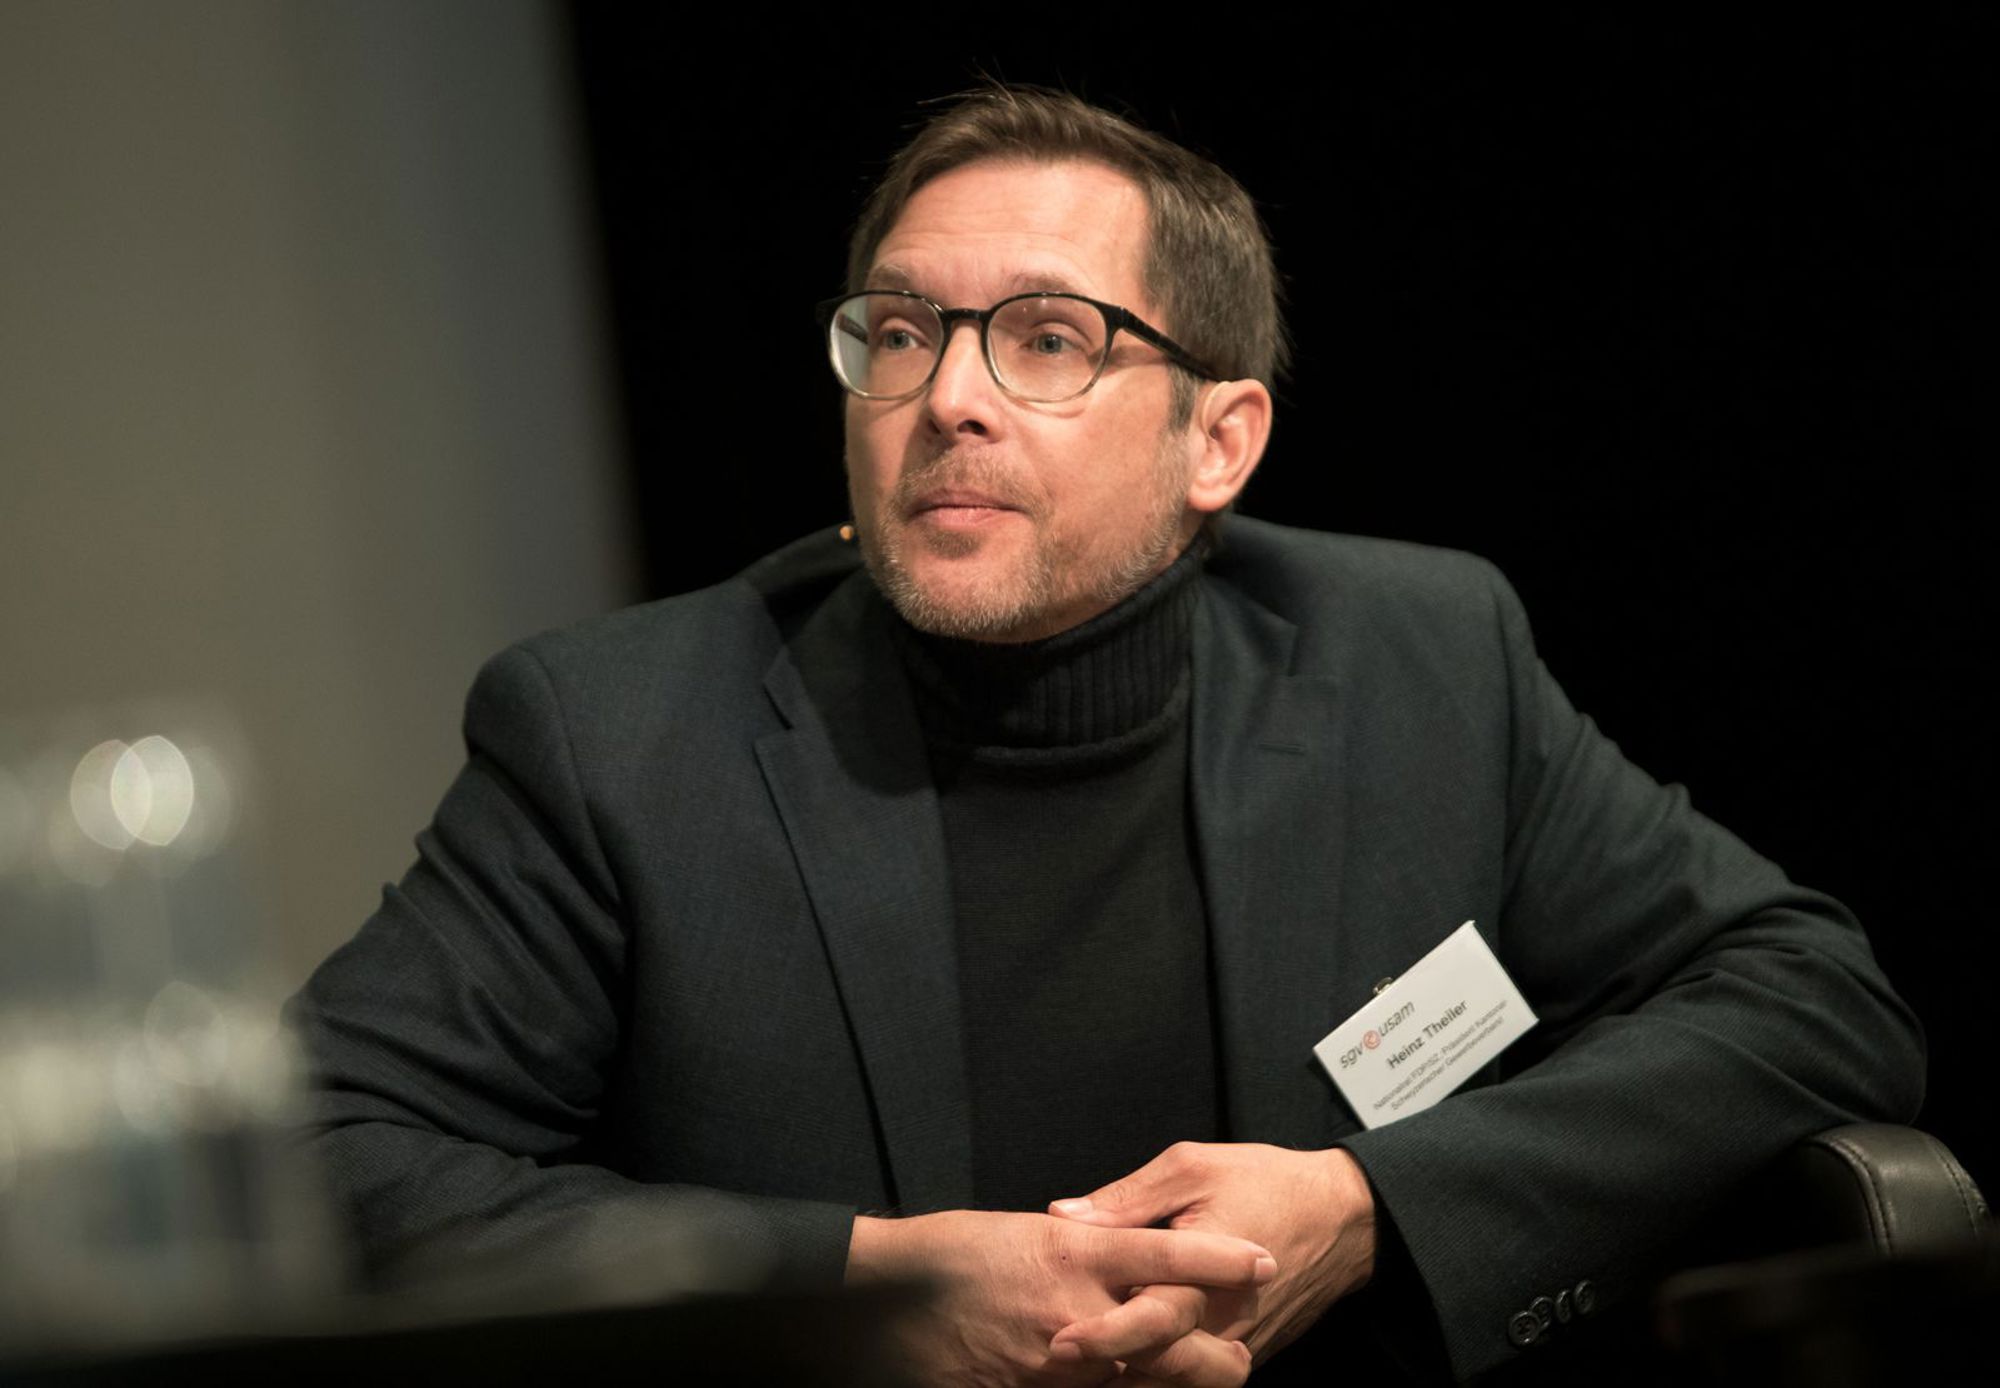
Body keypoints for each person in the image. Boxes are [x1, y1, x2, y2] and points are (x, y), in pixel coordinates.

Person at [289, 86, 1925, 1384]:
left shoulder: (1418, 658)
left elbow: (1811, 998)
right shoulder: (619, 731)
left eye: (1049, 339)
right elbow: (316, 1151)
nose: (949, 398)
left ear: (1221, 440)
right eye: (903, 331)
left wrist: (1371, 1206)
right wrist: (860, 1289)